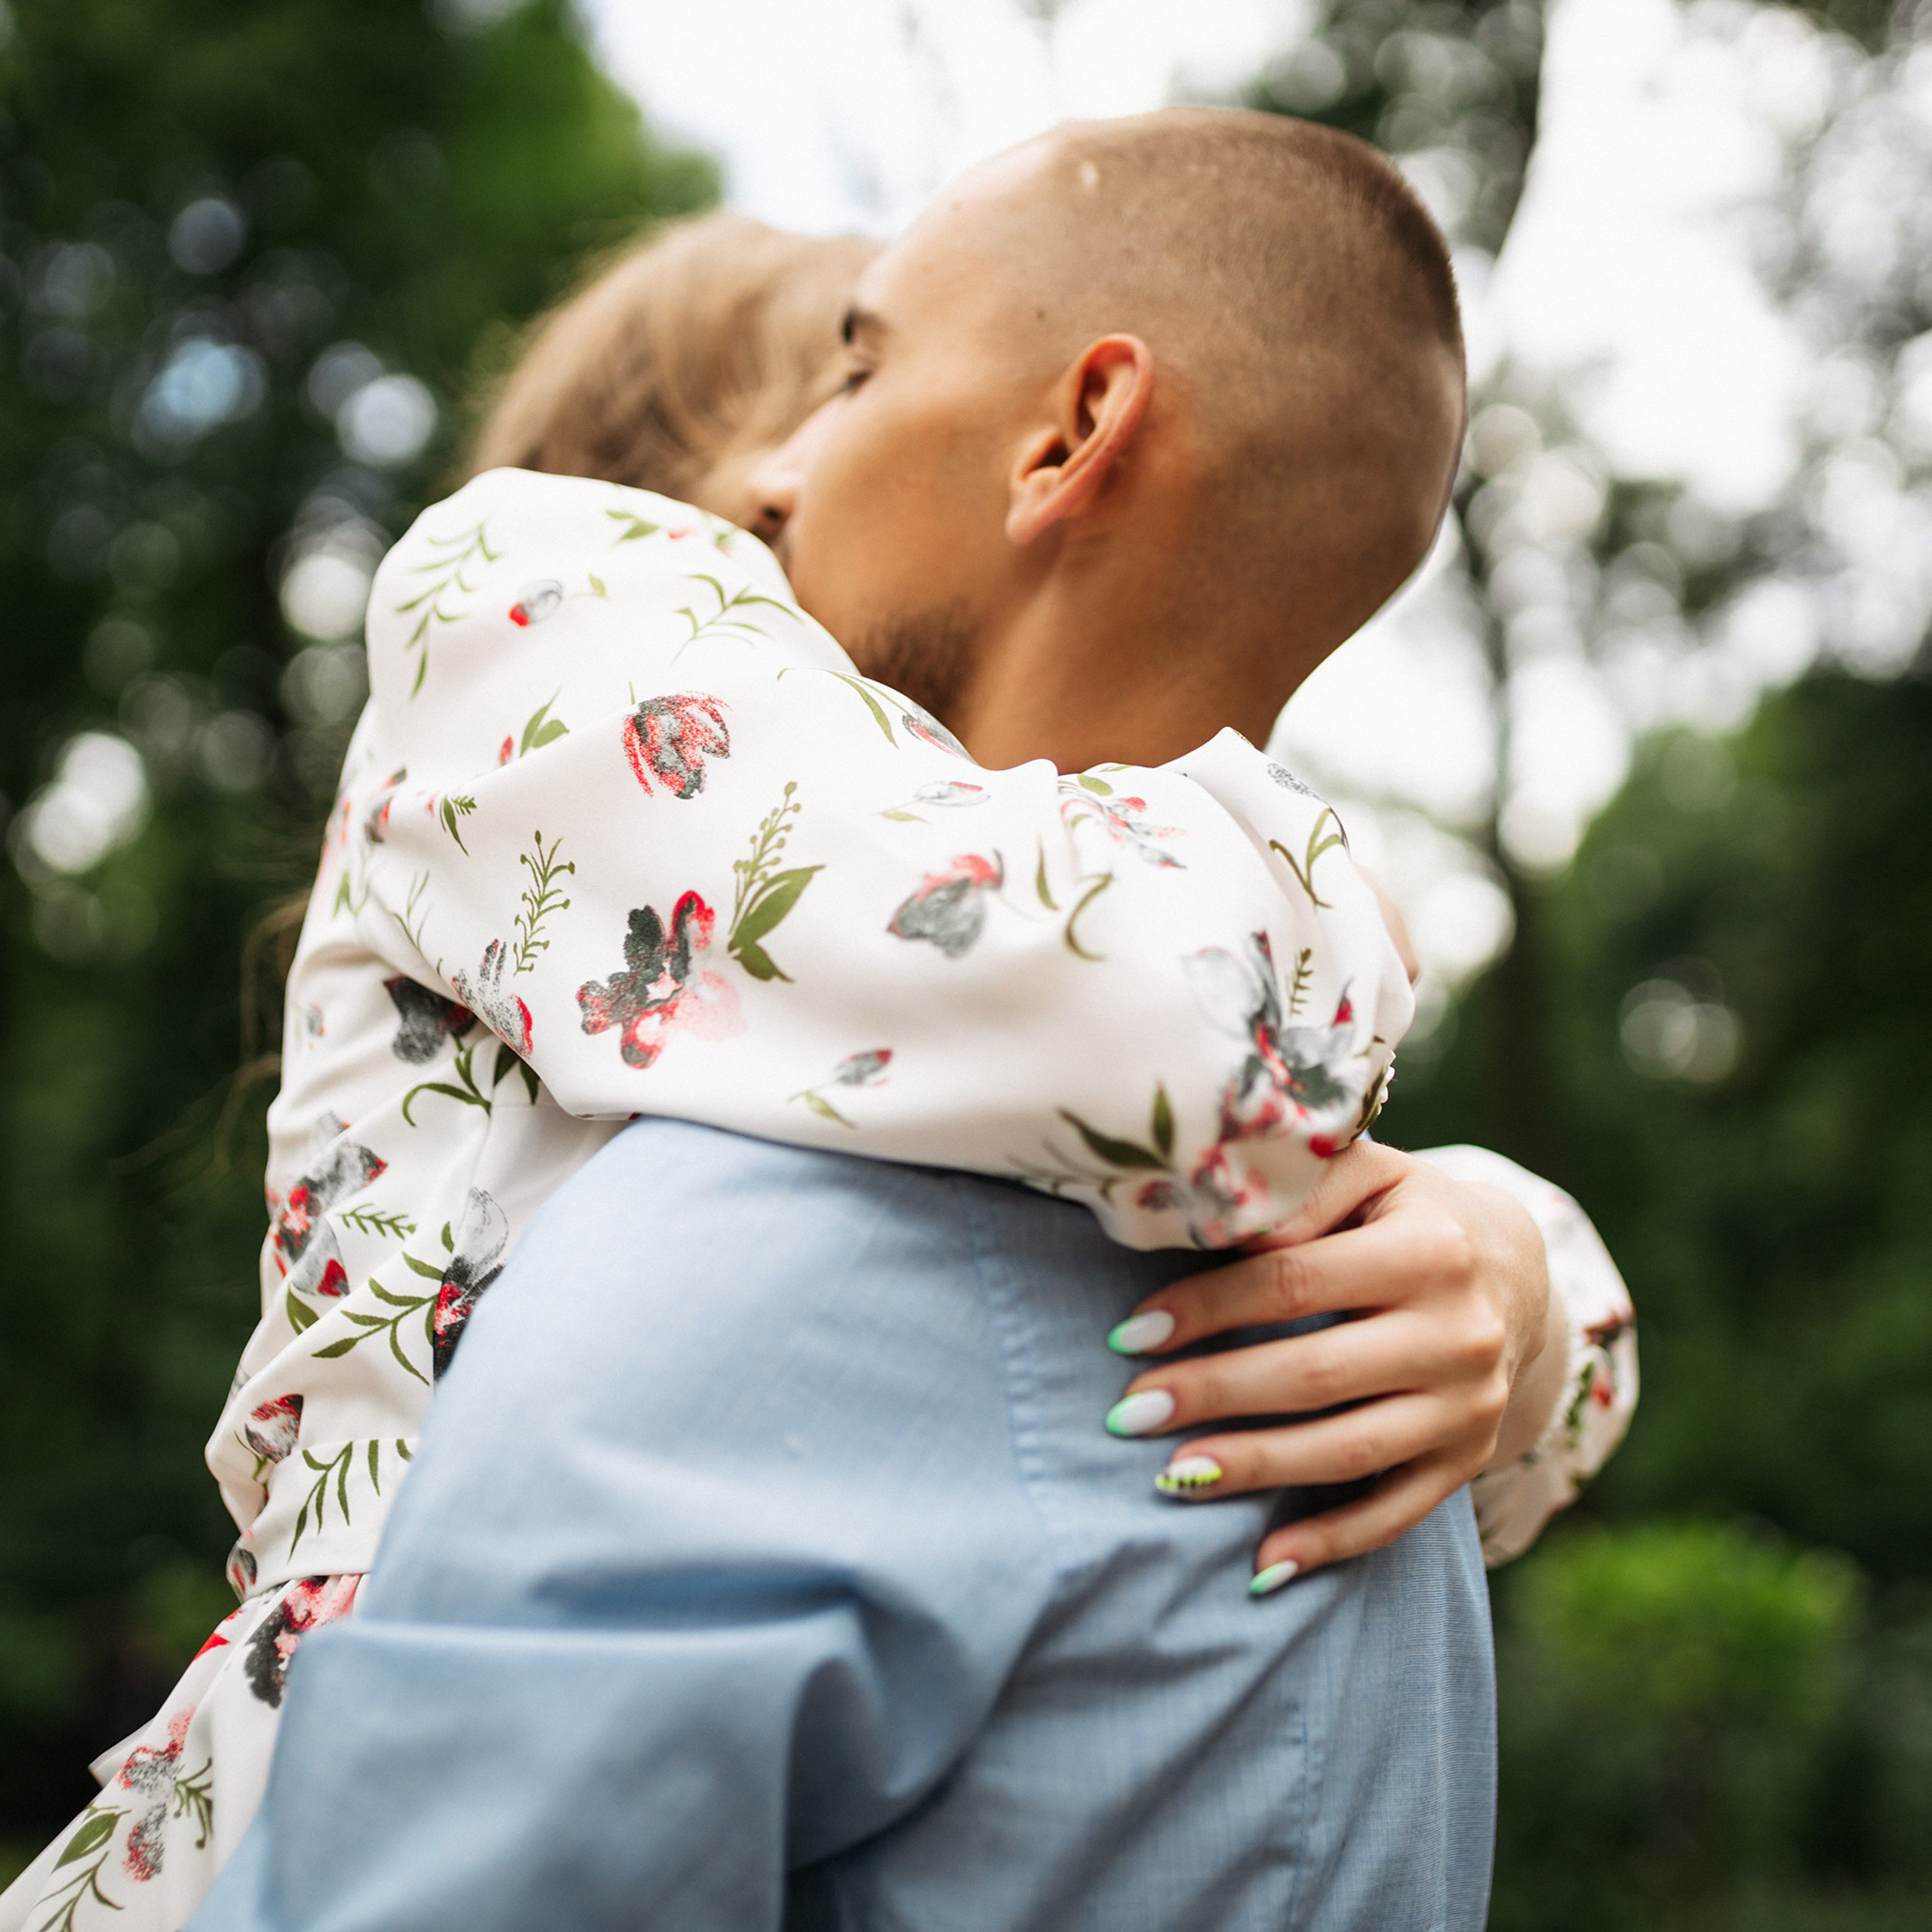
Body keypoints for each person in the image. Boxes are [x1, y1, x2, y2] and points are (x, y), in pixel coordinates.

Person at [4, 113, 1632, 1932]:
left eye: (854, 383)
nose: (785, 481)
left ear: (1062, 441)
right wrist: (1369, 948)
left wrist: (1505, 1266)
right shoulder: (557, 613)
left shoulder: (954, 955)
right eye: (814, 381)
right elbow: (1138, 1009)